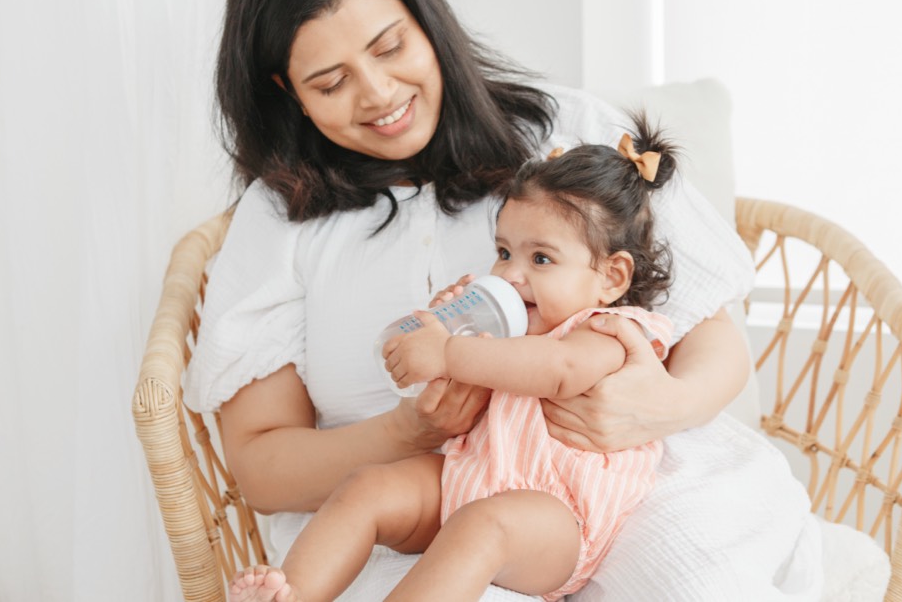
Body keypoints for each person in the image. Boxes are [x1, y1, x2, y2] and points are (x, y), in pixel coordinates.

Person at [187, 0, 822, 599]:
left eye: (389, 48)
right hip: (435, 484)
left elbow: (706, 328)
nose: (379, 94)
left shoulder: (566, 138)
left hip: (607, 486)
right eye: (331, 82)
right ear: (286, 88)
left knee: (691, 584)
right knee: (428, 528)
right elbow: (263, 468)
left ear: (427, 24)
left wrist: (661, 407)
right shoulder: (280, 216)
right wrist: (410, 431)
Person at [230, 124, 679, 602]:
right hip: (467, 477)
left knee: (482, 527)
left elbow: (558, 368)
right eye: (504, 252)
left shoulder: (614, 330)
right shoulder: (506, 327)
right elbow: (448, 378)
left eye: (542, 259)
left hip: (556, 518)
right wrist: (446, 323)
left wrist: (450, 350)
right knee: (368, 486)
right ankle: (291, 593)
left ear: (612, 276)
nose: (511, 274)